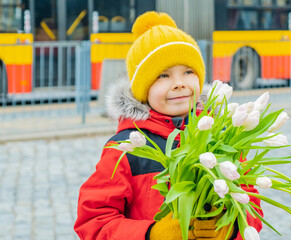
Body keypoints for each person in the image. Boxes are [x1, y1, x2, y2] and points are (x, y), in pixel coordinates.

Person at [74, 11, 263, 240]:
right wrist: (152, 234)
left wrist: (231, 229)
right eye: (163, 76)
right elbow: (93, 222)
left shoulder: (222, 139)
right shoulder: (126, 149)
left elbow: (251, 204)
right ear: (143, 89)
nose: (179, 84)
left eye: (188, 71)